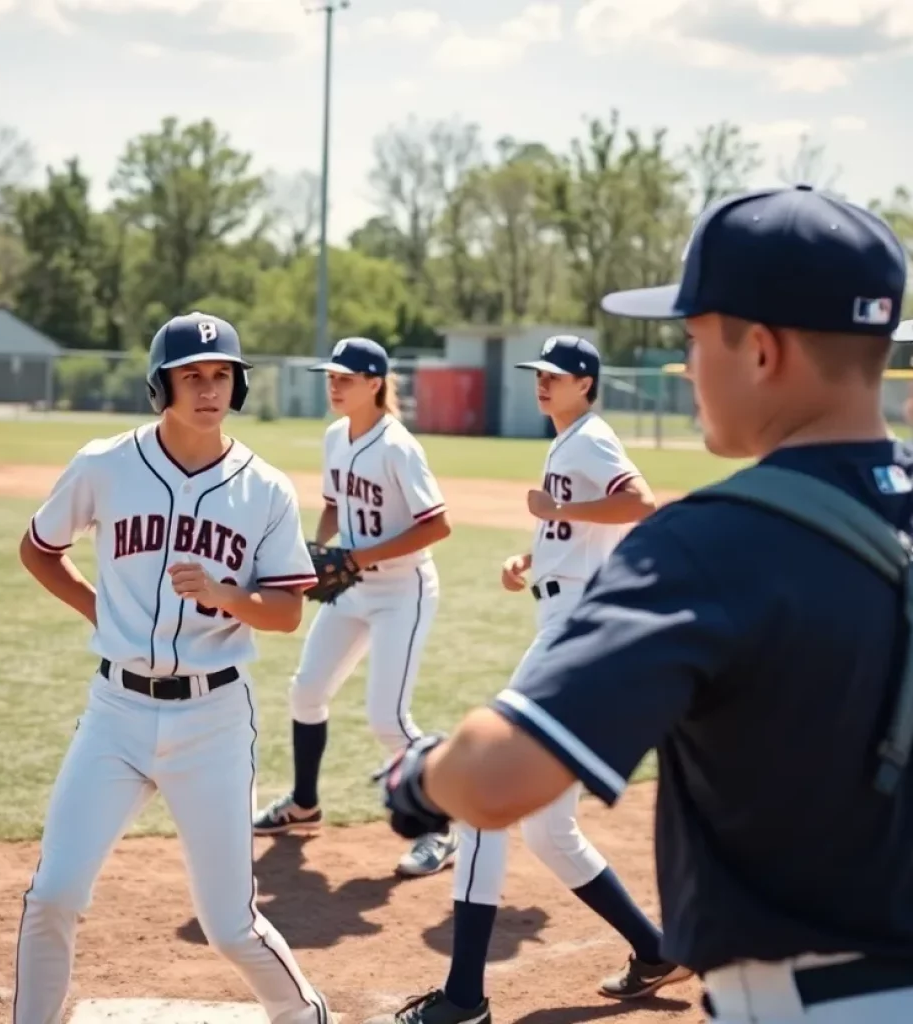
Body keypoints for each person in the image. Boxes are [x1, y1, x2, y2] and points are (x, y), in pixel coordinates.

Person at [377, 185, 913, 1022]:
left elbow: (497, 779)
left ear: (763, 351)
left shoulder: (713, 543)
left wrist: (417, 775)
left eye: (694, 339)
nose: (686, 367)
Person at [13, 312, 331, 1024]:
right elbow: (38, 549)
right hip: (116, 714)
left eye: (222, 375)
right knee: (54, 893)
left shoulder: (266, 490)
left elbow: (285, 614)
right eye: (193, 375)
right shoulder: (105, 464)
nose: (209, 388)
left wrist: (226, 595)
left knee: (229, 924)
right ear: (162, 385)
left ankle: (306, 1015)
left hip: (213, 719)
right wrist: (100, 611)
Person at [370, 335, 689, 1024]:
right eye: (539, 374)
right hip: (571, 622)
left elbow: (639, 502)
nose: (542, 383)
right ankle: (655, 949)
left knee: (485, 803)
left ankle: (464, 997)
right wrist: (532, 558)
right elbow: (580, 533)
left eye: (556, 375)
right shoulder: (572, 439)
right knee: (549, 830)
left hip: (573, 634)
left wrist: (558, 513)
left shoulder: (590, 438)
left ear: (586, 383)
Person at [253, 336, 457, 878]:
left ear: (375, 384)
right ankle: (303, 804)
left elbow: (437, 524)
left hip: (402, 591)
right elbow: (332, 506)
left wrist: (358, 553)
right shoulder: (335, 437)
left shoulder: (398, 446)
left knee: (387, 718)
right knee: (306, 690)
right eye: (331, 376)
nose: (334, 385)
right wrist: (319, 556)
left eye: (346, 377)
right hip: (354, 587)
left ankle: (442, 827)